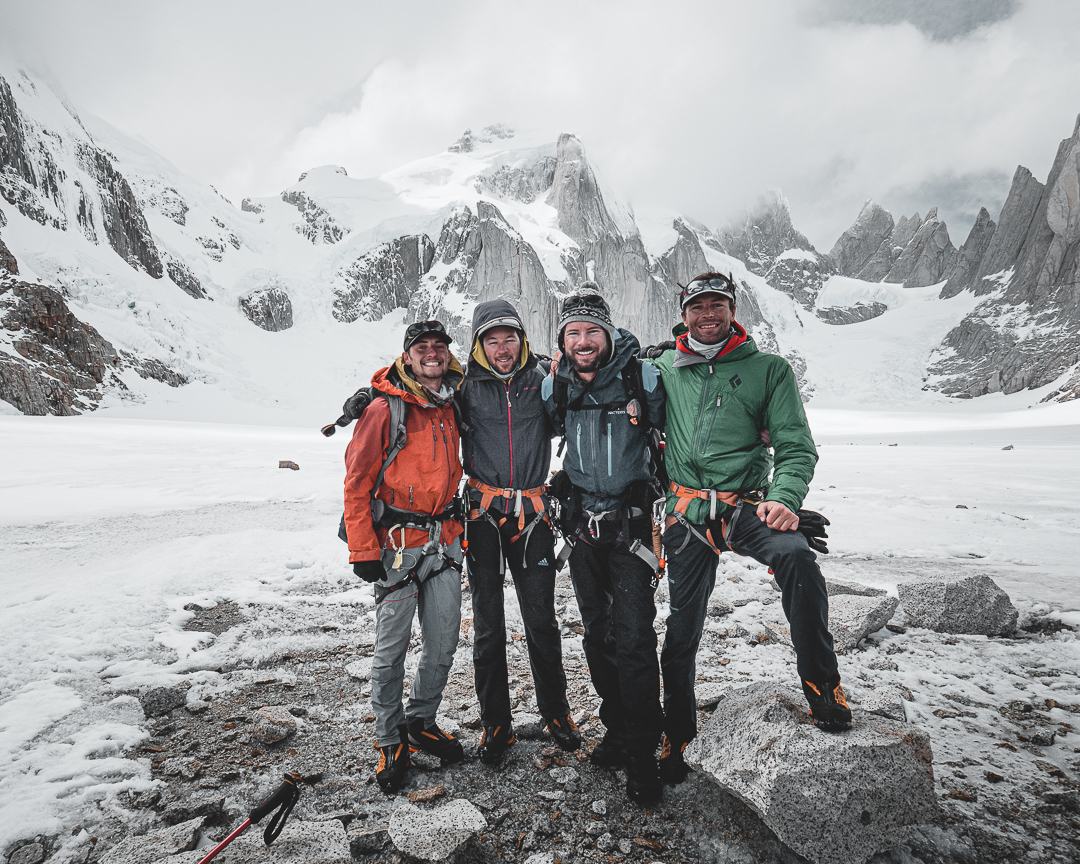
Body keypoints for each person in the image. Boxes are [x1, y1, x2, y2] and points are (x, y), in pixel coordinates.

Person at [647, 272, 849, 787]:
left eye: (717, 304)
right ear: (683, 314)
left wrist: (785, 500)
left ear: (733, 311)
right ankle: (679, 731)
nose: (708, 314)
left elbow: (796, 446)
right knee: (682, 627)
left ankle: (823, 685)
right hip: (687, 513)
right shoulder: (663, 367)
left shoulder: (769, 370)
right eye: (698, 306)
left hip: (749, 507)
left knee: (797, 557)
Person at [541, 287, 667, 805]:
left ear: (609, 335)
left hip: (631, 528)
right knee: (597, 633)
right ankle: (617, 728)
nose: (583, 340)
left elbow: (685, 423)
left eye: (593, 330)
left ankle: (642, 750)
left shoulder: (643, 376)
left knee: (634, 636)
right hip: (581, 529)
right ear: (562, 341)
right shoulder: (557, 385)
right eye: (573, 332)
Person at [343, 320, 467, 794]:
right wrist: (362, 549)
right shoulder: (384, 409)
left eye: (439, 346)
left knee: (443, 641)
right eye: (422, 348)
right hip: (396, 547)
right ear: (408, 356)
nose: (432, 354)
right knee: (391, 648)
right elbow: (357, 482)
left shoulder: (452, 402)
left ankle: (421, 721)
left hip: (444, 543)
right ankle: (390, 738)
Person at [460, 299, 579, 765]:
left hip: (532, 516)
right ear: (479, 346)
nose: (502, 348)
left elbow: (584, 396)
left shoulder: (542, 380)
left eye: (509, 338)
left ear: (522, 340)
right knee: (488, 624)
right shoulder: (463, 386)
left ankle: (556, 713)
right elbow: (413, 387)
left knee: (542, 621)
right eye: (492, 340)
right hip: (483, 517)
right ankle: (496, 722)